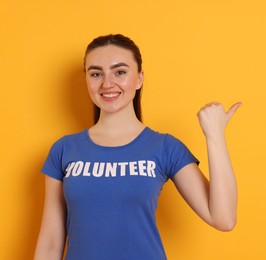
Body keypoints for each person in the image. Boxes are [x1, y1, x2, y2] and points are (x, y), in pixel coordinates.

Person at [34, 34, 241, 260]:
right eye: (96, 74)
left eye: (120, 72)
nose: (107, 83)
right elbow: (50, 244)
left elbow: (223, 218)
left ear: (139, 78)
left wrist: (215, 135)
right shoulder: (64, 149)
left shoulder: (165, 147)